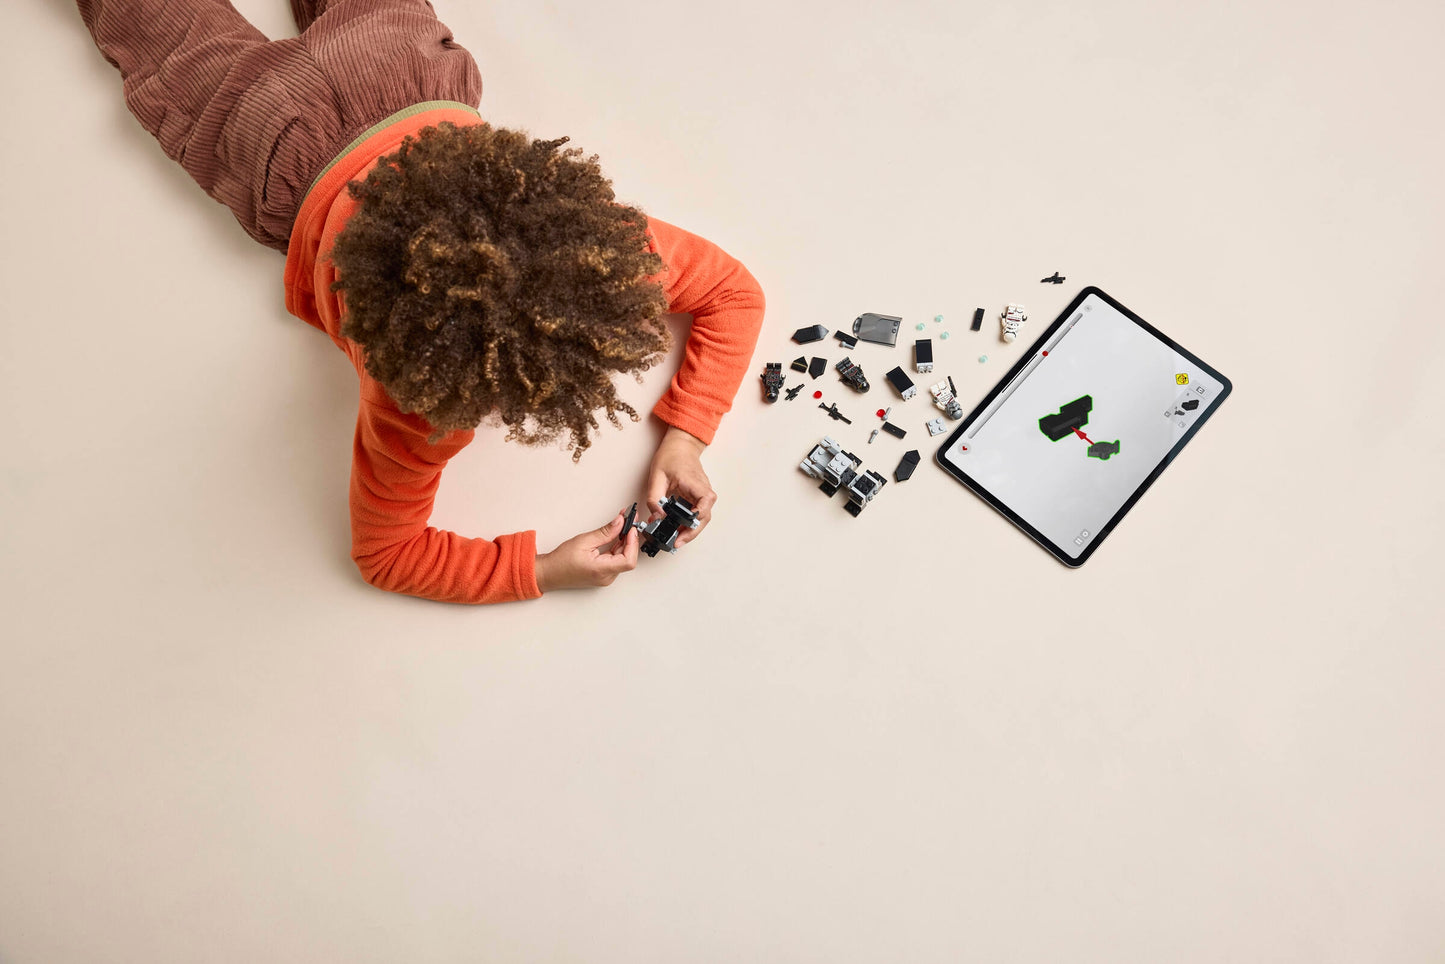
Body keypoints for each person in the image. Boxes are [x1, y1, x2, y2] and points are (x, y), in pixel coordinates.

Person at [77, 0, 766, 604]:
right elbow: (387, 555)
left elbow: (733, 292)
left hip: (395, 61)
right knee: (154, 19)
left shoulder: (592, 245)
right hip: (271, 148)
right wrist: (543, 568)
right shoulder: (413, 400)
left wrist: (684, 442)